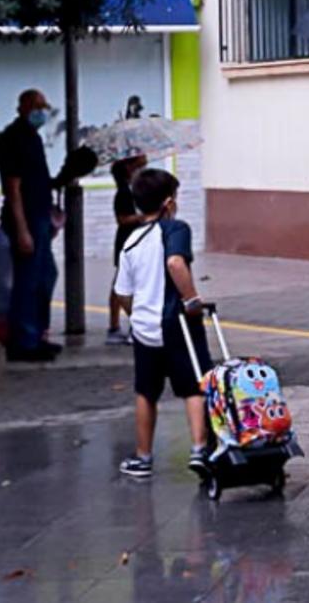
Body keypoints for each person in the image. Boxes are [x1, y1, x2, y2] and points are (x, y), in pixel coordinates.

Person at [114, 168, 212, 480]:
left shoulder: (130, 242)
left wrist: (137, 315)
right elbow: (175, 262)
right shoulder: (175, 228)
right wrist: (191, 300)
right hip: (177, 324)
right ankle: (199, 449)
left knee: (146, 390)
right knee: (193, 387)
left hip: (144, 329)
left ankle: (143, 457)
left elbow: (122, 293)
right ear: (169, 202)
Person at [0, 89, 59, 362]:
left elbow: (37, 180)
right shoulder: (12, 139)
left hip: (40, 215)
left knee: (46, 276)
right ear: (22, 106)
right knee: (28, 281)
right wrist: (22, 229)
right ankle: (23, 341)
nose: (41, 112)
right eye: (37, 106)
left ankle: (37, 334)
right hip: (26, 219)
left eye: (44, 106)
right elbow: (13, 188)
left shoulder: (33, 138)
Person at [107, 155, 148, 345]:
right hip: (126, 241)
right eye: (138, 167)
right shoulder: (123, 193)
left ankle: (125, 324)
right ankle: (118, 326)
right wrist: (141, 217)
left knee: (127, 284)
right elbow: (123, 219)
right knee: (122, 285)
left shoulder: (130, 191)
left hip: (131, 240)